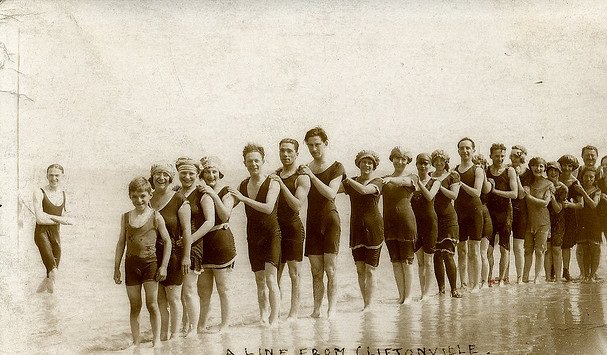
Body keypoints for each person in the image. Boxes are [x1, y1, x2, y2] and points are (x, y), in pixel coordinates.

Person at [113, 177, 172, 348]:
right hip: (131, 266)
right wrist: (116, 268)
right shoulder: (125, 217)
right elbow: (120, 243)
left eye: (142, 196)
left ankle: (156, 341)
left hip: (150, 265)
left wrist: (163, 266)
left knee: (152, 304)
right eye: (134, 196)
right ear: (130, 197)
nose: (139, 200)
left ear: (149, 195)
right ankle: (136, 342)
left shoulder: (155, 216)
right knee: (134, 306)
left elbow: (167, 241)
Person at [229, 144, 281, 325]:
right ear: (244, 163)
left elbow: (268, 208)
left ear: (263, 161)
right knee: (259, 280)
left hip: (272, 235)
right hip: (253, 236)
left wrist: (242, 198)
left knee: (271, 278)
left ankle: (274, 319)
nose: (253, 164)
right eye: (249, 161)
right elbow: (228, 205)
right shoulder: (243, 184)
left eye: (256, 160)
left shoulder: (273, 183)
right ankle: (263, 317)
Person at [299, 127, 344, 318]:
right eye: (310, 145)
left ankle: (331, 309)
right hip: (313, 222)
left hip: (330, 219)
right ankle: (317, 309)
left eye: (317, 144)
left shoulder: (336, 167)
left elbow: (331, 193)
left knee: (330, 269)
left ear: (325, 143)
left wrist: (311, 176)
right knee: (316, 271)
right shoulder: (306, 168)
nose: (314, 149)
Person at [268, 138, 311, 319]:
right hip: (276, 230)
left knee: (295, 274)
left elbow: (297, 205)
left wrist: (281, 185)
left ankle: (293, 313)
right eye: (282, 151)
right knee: (275, 274)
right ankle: (276, 313)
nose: (285, 154)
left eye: (289, 151)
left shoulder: (302, 177)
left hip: (293, 229)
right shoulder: (275, 175)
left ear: (296, 154)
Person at [149, 163, 192, 340]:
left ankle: (175, 335)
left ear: (170, 177)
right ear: (151, 178)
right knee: (159, 301)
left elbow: (187, 230)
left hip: (174, 254)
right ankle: (164, 337)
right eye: (157, 174)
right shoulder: (148, 200)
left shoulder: (179, 199)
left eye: (165, 174)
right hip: (152, 256)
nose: (161, 178)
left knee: (174, 298)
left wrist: (187, 256)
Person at [175, 158, 215, 336]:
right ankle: (183, 326)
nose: (187, 176)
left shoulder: (202, 194)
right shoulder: (175, 193)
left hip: (194, 245)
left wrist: (189, 241)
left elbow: (209, 222)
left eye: (191, 173)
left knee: (190, 289)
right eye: (183, 173)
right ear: (178, 174)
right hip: (177, 245)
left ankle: (193, 329)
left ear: (197, 174)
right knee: (180, 290)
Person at [197, 156, 237, 332]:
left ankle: (225, 324)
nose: (211, 175)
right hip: (204, 245)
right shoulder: (200, 191)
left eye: (214, 171)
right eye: (207, 172)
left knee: (223, 288)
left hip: (222, 242)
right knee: (204, 291)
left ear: (219, 173)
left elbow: (225, 215)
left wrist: (212, 193)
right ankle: (201, 326)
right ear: (202, 174)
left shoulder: (226, 191)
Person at [342, 150, 384, 310]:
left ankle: (369, 305)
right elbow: (331, 190)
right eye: (363, 162)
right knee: (360, 270)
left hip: (374, 229)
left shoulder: (378, 181)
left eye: (370, 163)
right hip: (356, 229)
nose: (366, 165)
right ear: (358, 164)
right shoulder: (351, 182)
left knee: (371, 270)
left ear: (374, 166)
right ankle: (365, 302)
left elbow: (364, 190)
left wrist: (346, 179)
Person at [381, 147, 417, 304]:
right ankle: (401, 296)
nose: (400, 161)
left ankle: (408, 297)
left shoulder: (412, 177)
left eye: (403, 159)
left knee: (407, 261)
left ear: (408, 161)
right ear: (392, 159)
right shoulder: (384, 179)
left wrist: (390, 180)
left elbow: (405, 181)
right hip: (389, 223)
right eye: (397, 158)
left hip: (406, 223)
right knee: (395, 262)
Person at [33, 164, 73, 294]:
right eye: (51, 175)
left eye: (57, 175)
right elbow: (40, 219)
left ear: (62, 176)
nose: (53, 178)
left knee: (50, 275)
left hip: (56, 237)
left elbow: (69, 220)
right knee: (54, 272)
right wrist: (59, 219)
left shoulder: (65, 195)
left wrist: (49, 216)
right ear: (46, 176)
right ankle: (53, 306)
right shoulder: (39, 192)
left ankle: (38, 298)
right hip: (41, 234)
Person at [430, 150, 462, 298]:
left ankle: (454, 289)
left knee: (448, 254)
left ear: (446, 162)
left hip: (449, 219)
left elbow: (454, 195)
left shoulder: (453, 175)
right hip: (433, 219)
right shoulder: (429, 176)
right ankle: (441, 290)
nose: (438, 163)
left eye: (441, 161)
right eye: (436, 160)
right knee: (437, 255)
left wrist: (439, 186)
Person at [454, 138, 484, 292]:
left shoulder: (478, 170)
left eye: (467, 148)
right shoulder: (454, 170)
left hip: (474, 212)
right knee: (461, 250)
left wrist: (461, 184)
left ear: (473, 150)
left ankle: (476, 284)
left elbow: (477, 192)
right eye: (461, 148)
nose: (464, 151)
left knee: (474, 249)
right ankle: (463, 283)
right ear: (458, 150)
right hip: (459, 212)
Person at [485, 144, 518, 286]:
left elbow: (514, 194)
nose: (500, 159)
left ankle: (502, 279)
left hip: (505, 212)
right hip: (490, 212)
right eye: (497, 156)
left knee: (504, 247)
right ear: (491, 156)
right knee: (489, 248)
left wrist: (494, 190)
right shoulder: (486, 171)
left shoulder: (509, 170)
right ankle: (489, 277)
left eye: (502, 156)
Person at [410, 153, 440, 301]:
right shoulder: (410, 182)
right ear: (416, 165)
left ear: (430, 166)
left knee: (428, 261)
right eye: (420, 163)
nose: (423, 166)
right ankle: (422, 292)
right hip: (416, 224)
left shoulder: (435, 181)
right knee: (420, 262)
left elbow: (429, 196)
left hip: (430, 224)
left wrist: (418, 183)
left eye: (426, 163)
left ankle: (427, 293)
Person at [522, 157, 552, 284]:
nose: (538, 168)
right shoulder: (528, 182)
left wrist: (528, 196)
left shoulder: (548, 184)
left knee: (540, 251)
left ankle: (537, 277)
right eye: (535, 165)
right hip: (529, 221)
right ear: (531, 167)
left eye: (541, 166)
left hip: (543, 222)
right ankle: (524, 277)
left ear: (544, 168)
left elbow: (545, 203)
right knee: (528, 250)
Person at [557, 154, 584, 281]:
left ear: (573, 167)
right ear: (560, 165)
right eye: (564, 165)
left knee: (566, 245)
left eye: (570, 166)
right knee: (554, 244)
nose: (567, 168)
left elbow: (581, 204)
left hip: (569, 215)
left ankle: (566, 270)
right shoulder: (555, 178)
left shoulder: (575, 182)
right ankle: (553, 270)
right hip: (556, 214)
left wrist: (570, 204)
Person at [509, 145, 532, 283]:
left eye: (517, 155)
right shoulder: (507, 168)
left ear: (523, 156)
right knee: (504, 246)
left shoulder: (528, 173)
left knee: (518, 246)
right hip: (506, 210)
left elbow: (522, 194)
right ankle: (504, 277)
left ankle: (519, 278)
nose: (514, 158)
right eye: (512, 156)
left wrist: (517, 176)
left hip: (521, 211)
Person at [575, 167, 602, 282]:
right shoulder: (578, 189)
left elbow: (593, 205)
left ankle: (592, 275)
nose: (588, 179)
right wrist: (581, 191)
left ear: (595, 178)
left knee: (595, 249)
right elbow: (579, 204)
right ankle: (585, 275)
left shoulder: (597, 191)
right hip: (582, 222)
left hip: (594, 222)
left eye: (591, 177)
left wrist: (582, 192)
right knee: (584, 249)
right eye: (586, 176)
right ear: (582, 177)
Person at [472, 153, 493, 289]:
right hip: (474, 216)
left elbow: (485, 189)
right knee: (472, 252)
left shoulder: (489, 181)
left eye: (481, 164)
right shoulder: (471, 178)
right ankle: (473, 281)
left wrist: (482, 172)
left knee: (483, 252)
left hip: (486, 217)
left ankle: (484, 282)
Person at [545, 162, 568, 282]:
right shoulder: (544, 184)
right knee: (547, 249)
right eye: (550, 170)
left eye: (556, 170)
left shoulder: (563, 188)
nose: (553, 173)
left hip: (558, 221)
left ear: (559, 172)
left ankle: (558, 278)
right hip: (545, 219)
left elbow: (558, 209)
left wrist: (552, 196)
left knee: (556, 249)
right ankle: (548, 278)